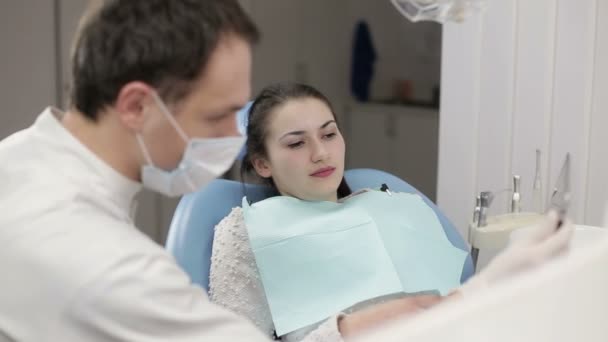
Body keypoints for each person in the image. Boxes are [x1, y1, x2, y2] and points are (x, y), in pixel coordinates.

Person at [0, 1, 281, 341]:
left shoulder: (19, 157)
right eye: (217, 116)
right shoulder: (104, 261)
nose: (235, 135)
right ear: (136, 106)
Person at [208, 82, 575, 341]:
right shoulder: (246, 231)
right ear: (261, 163)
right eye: (297, 143)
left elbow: (456, 296)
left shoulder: (393, 205)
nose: (320, 153)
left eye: (329, 134)